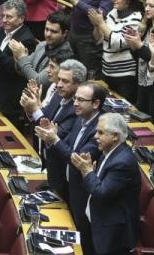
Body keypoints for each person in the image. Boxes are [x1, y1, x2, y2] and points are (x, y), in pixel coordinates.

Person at [35, 81, 105, 254]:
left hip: (84, 194)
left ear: (96, 104)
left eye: (81, 100)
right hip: (69, 187)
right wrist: (53, 138)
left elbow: (77, 159)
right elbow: (65, 146)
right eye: (75, 99)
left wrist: (55, 140)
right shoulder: (81, 119)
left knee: (84, 240)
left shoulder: (100, 130)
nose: (75, 103)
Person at [71, 113, 141, 255]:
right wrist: (90, 172)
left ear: (115, 136)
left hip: (112, 235)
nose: (95, 136)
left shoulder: (122, 162)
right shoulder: (109, 152)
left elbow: (101, 193)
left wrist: (87, 171)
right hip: (99, 222)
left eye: (101, 132)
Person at [22, 59, 84, 197]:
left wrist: (35, 109)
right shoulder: (58, 95)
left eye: (65, 81)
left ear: (78, 84)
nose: (59, 84)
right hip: (49, 167)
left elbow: (56, 136)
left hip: (63, 175)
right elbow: (43, 118)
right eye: (59, 79)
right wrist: (30, 109)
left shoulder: (78, 109)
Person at [88, 0, 142, 101]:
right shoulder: (113, 13)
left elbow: (117, 43)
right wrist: (96, 26)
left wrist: (101, 23)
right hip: (106, 71)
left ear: (128, 0)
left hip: (124, 76)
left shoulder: (135, 19)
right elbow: (99, 39)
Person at [11, 10, 74, 87]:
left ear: (65, 33)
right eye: (46, 29)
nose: (48, 34)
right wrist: (18, 57)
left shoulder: (65, 55)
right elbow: (21, 70)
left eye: (53, 31)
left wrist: (22, 57)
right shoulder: (43, 44)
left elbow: (38, 82)